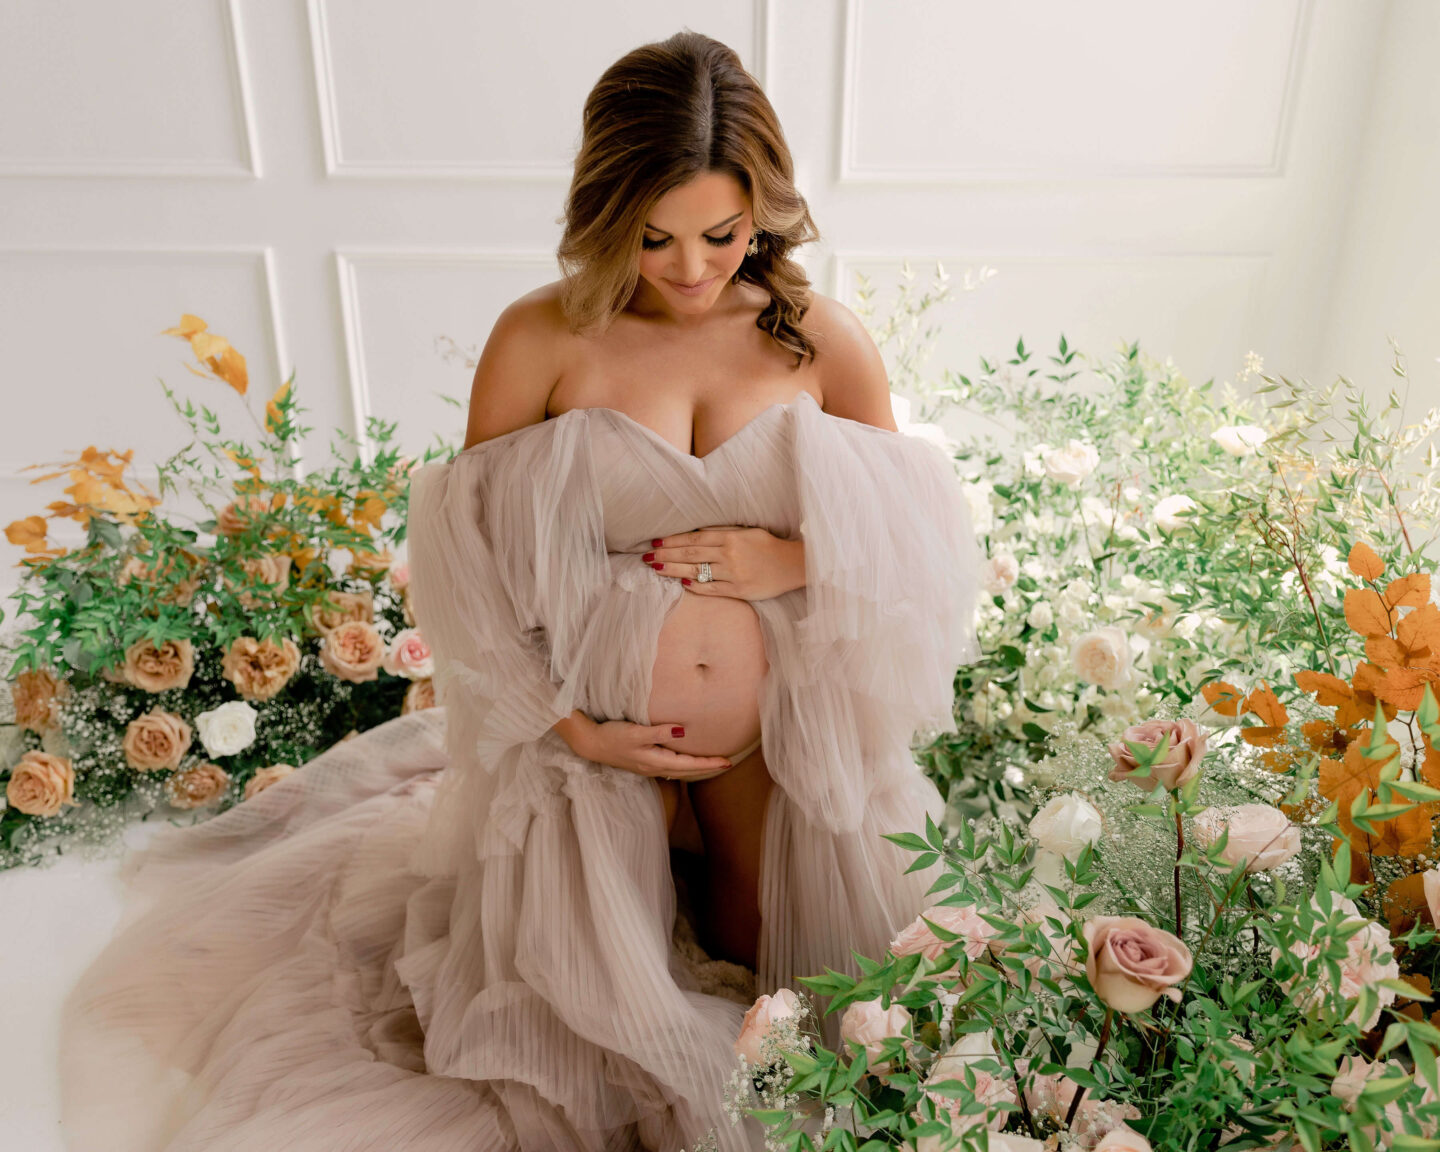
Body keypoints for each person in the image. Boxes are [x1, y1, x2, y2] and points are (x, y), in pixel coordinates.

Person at [56, 29, 982, 1152]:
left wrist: (789, 560)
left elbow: (909, 538)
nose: (691, 269)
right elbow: (469, 565)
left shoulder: (817, 339)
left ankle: (713, 853)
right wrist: (569, 726)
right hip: (585, 732)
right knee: (590, 1015)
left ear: (766, 211)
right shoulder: (542, 338)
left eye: (722, 235)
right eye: (654, 238)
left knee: (794, 987)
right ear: (605, 212)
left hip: (775, 731)